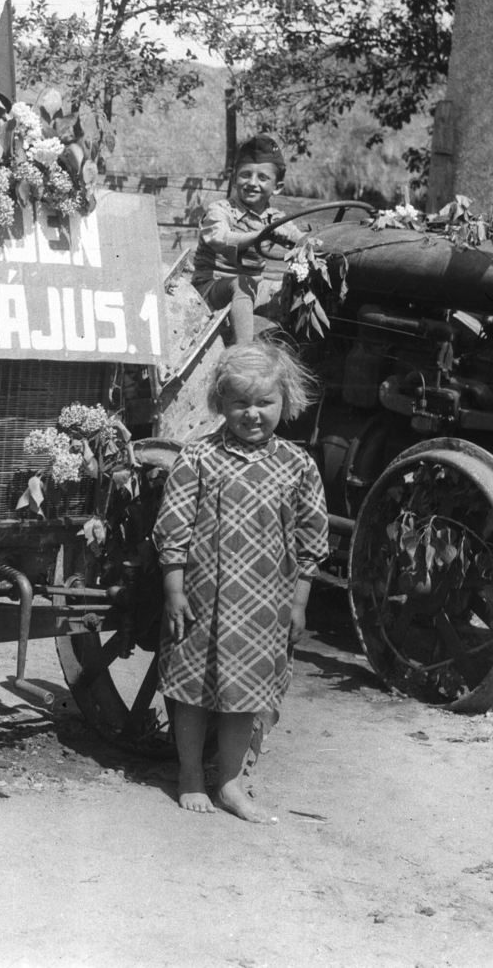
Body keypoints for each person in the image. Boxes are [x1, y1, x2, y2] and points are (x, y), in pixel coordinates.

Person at [153, 341, 328, 822]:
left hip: (263, 608)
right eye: (240, 403)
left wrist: (299, 602)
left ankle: (229, 782)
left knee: (243, 697)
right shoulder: (198, 457)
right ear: (221, 403)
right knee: (191, 690)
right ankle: (190, 773)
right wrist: (173, 590)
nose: (252, 414)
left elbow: (312, 539)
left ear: (284, 403)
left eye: (264, 403)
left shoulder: (297, 465)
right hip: (201, 603)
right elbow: (173, 527)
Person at [191, 133, 308, 344]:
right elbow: (221, 237)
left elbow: (302, 240)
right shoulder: (220, 210)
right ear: (235, 178)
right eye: (246, 175)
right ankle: (244, 353)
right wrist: (261, 235)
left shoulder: (276, 219)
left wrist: (307, 245)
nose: (252, 183)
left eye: (263, 178)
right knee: (243, 283)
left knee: (296, 289)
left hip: (253, 289)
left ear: (277, 187)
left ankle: (294, 349)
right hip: (211, 288)